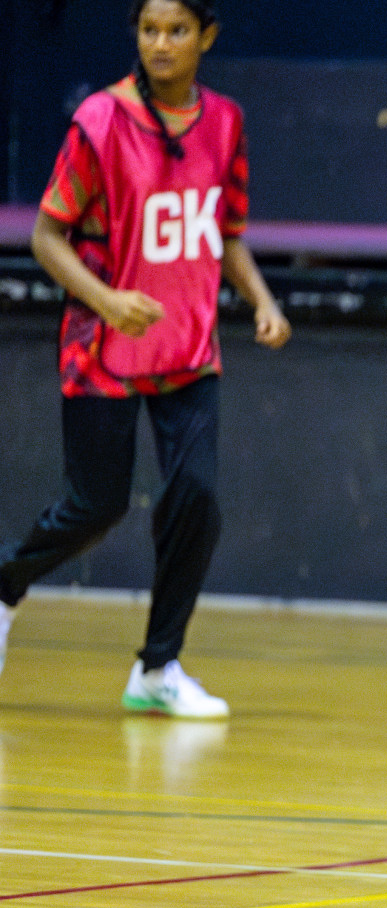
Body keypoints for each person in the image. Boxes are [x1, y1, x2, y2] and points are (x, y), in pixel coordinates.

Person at [0, 0, 290, 717]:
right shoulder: (99, 121)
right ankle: (5, 586)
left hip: (189, 347)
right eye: (149, 30)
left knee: (198, 501)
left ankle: (158, 666)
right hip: (104, 345)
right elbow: (45, 237)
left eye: (178, 30)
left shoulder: (225, 123)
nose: (161, 44)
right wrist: (107, 301)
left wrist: (261, 299)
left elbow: (224, 229)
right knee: (94, 507)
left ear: (207, 37)